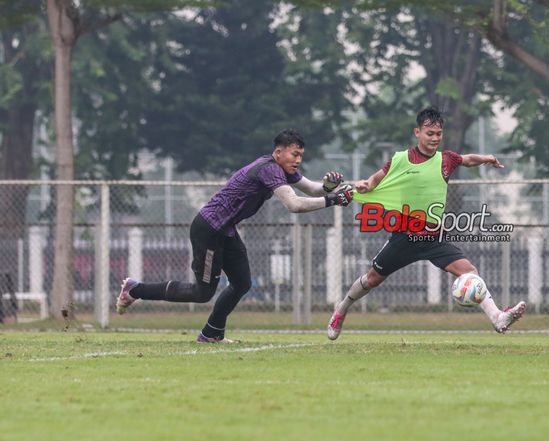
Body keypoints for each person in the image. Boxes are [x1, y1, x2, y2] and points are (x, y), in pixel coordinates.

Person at [116, 129, 353, 343]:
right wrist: (332, 200)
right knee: (202, 292)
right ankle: (135, 289)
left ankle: (211, 333)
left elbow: (312, 189)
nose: (298, 160)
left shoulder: (280, 168)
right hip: (209, 228)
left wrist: (329, 187)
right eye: (294, 154)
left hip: (226, 229)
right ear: (278, 153)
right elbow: (294, 205)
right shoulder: (269, 169)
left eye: (301, 155)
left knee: (241, 283)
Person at [327, 107, 526, 340]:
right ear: (417, 132)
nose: (434, 138)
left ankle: (497, 318)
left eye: (438, 134)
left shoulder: (446, 160)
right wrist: (366, 185)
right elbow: (376, 179)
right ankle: (341, 310)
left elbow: (467, 160)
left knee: (470, 271)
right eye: (429, 133)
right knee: (372, 279)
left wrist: (487, 158)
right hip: (404, 236)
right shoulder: (401, 159)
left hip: (433, 237)